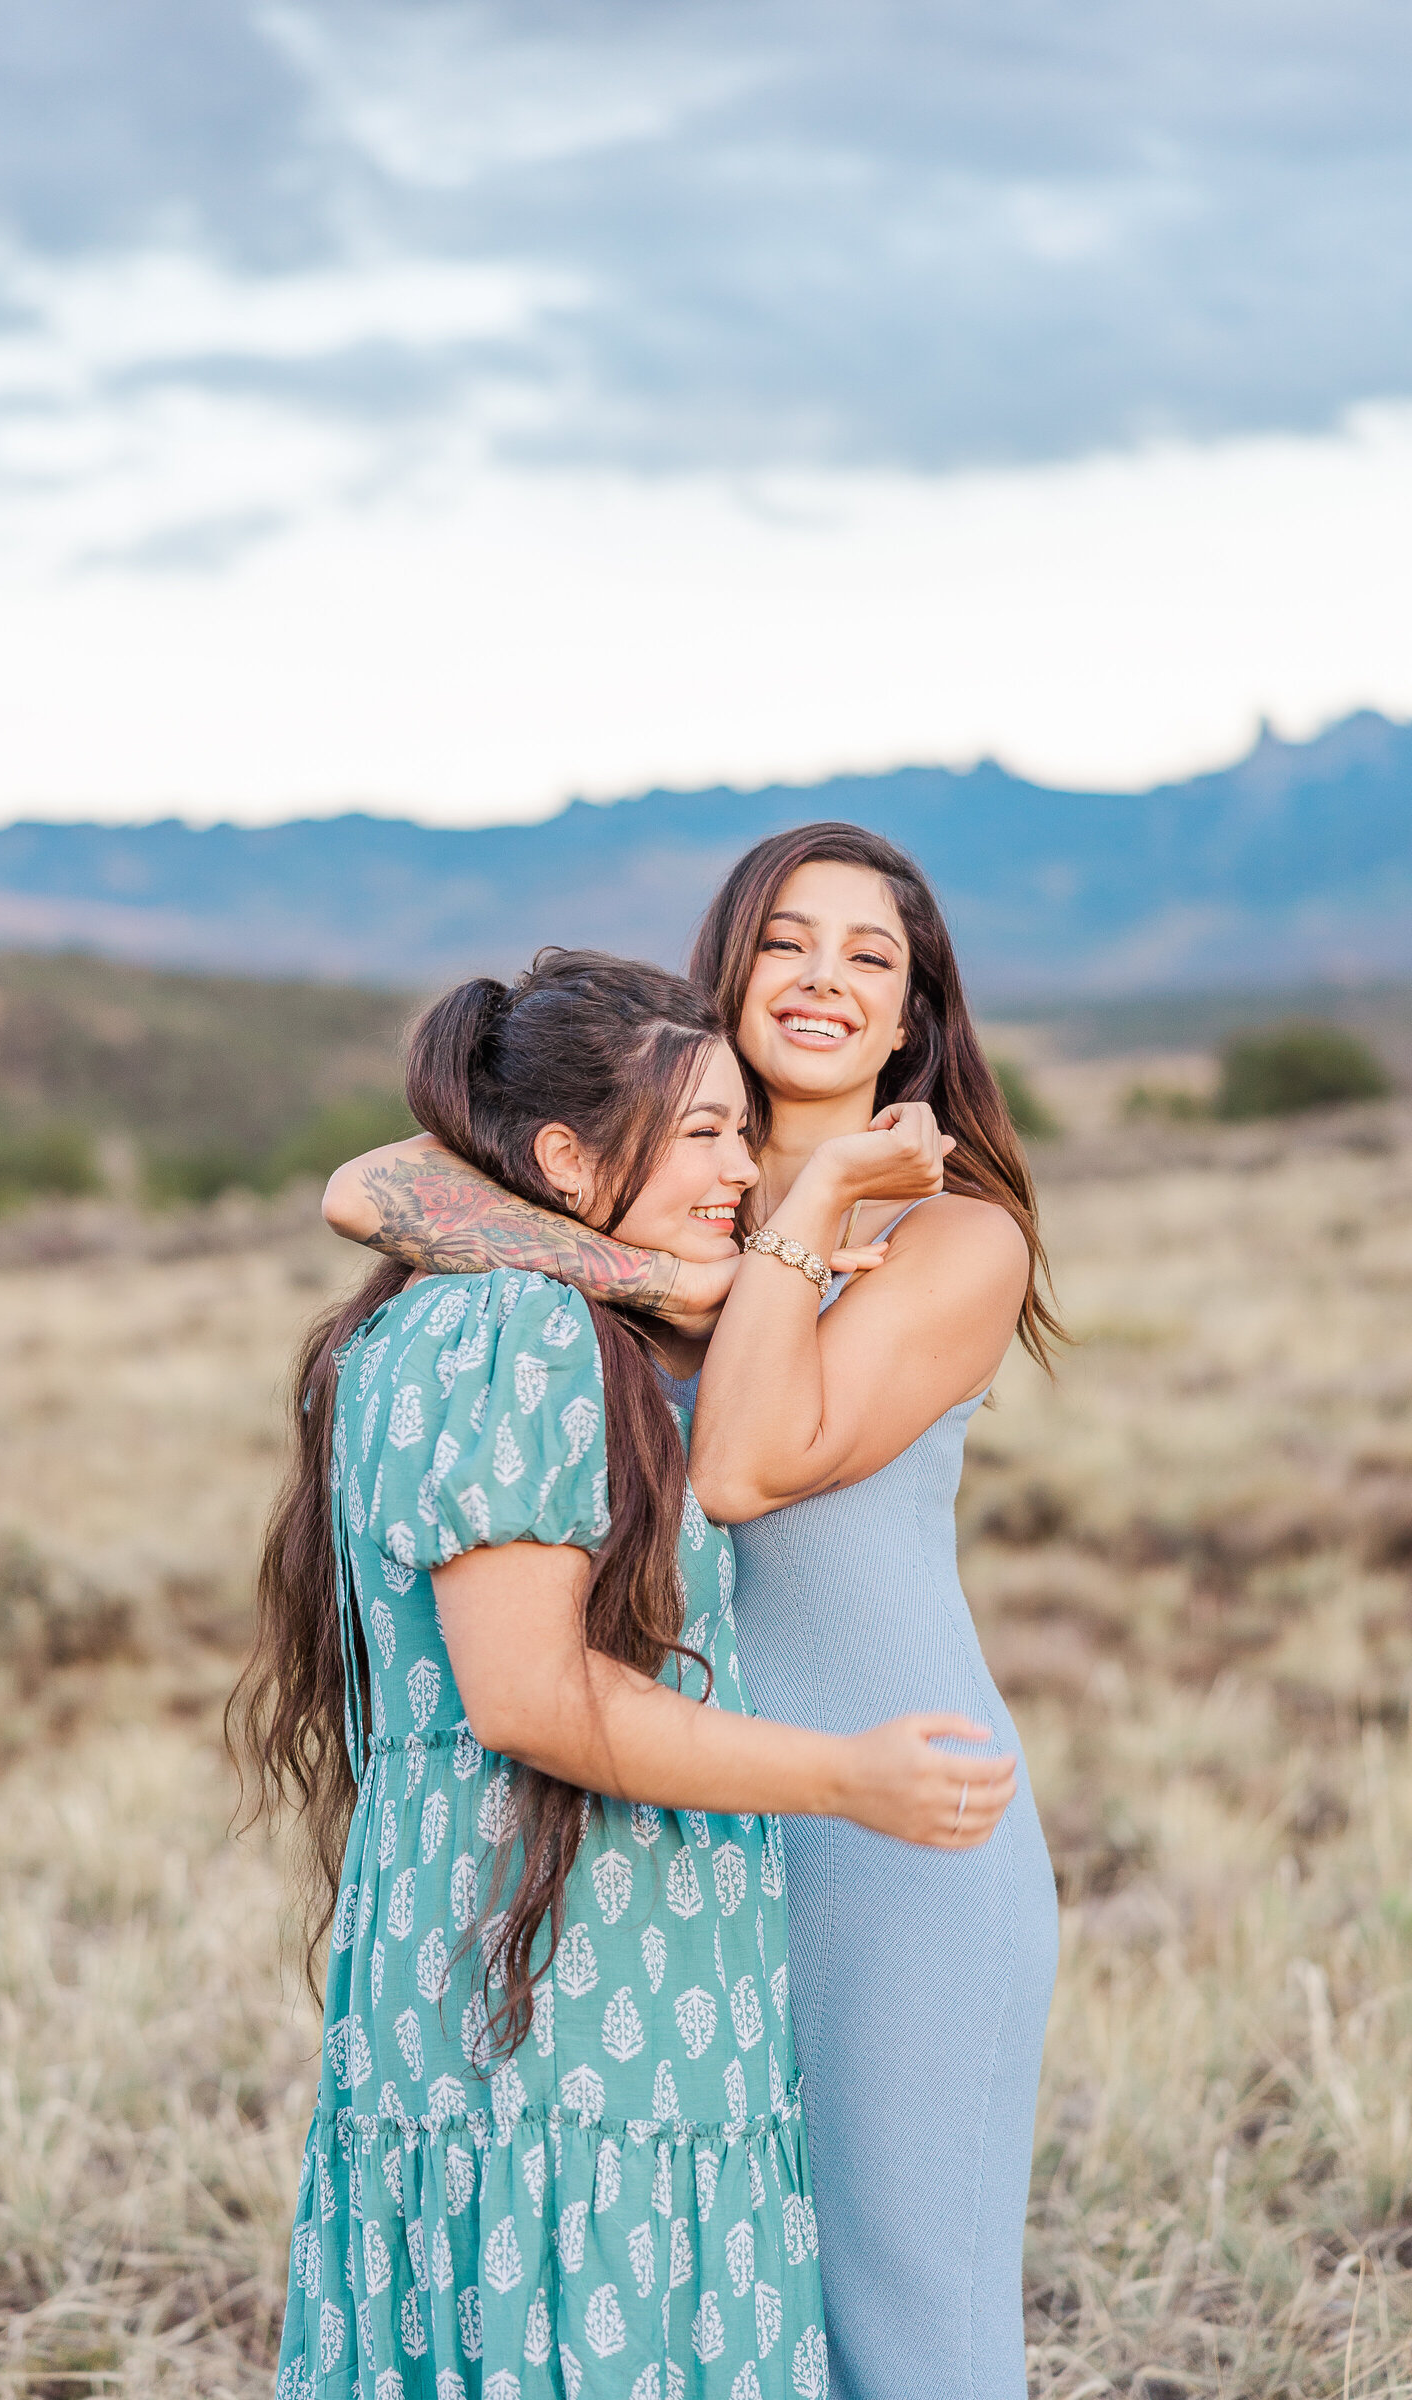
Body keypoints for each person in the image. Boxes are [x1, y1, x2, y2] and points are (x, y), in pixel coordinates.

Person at [322, 828, 1064, 2400]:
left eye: (873, 956)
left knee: (905, 2322)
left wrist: (790, 1241)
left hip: (890, 1820)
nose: (824, 979)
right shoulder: (679, 1209)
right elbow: (366, 1187)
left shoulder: (949, 1235)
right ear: (724, 974)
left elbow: (738, 1464)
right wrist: (686, 1267)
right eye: (788, 941)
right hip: (677, 1849)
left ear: (918, 1016)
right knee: (737, 2324)